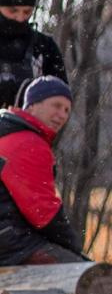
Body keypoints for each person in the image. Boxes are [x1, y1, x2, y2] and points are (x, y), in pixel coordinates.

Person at [0, 75, 83, 267]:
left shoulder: (7, 132)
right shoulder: (28, 143)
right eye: (56, 105)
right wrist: (76, 248)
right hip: (9, 242)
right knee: (87, 277)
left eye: (67, 110)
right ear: (32, 105)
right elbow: (43, 212)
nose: (62, 115)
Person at [0, 0, 68, 99]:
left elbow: (59, 94)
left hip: (29, 117)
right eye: (13, 11)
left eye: (26, 12)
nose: (20, 18)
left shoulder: (44, 46)